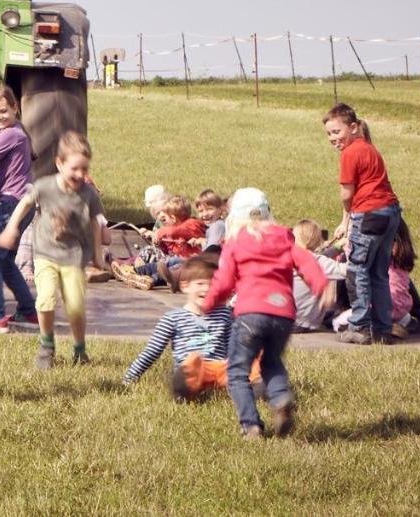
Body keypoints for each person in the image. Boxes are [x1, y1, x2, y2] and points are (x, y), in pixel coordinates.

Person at [203, 188, 331, 440]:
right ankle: (281, 398)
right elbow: (306, 261)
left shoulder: (235, 243)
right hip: (284, 315)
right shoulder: (284, 239)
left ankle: (251, 426)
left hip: (250, 313)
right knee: (271, 362)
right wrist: (321, 286)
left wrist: (208, 303)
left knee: (237, 372)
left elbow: (224, 280)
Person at [0, 131, 108, 369]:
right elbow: (24, 204)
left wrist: (98, 254)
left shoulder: (88, 194)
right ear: (59, 163)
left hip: (75, 257)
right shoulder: (44, 187)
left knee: (75, 306)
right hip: (45, 254)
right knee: (45, 301)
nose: (80, 174)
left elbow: (95, 224)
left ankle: (79, 348)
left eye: (84, 169)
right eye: (74, 168)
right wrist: (10, 229)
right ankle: (47, 345)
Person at [124, 256, 257, 402]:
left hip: (218, 370)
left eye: (212, 285)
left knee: (252, 360)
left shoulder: (224, 314)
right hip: (193, 372)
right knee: (191, 364)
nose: (206, 289)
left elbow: (233, 347)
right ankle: (184, 392)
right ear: (185, 286)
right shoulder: (173, 318)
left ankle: (259, 388)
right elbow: (151, 352)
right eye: (200, 283)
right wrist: (130, 377)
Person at [323, 103, 402, 345]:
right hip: (390, 212)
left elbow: (347, 193)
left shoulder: (351, 153)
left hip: (368, 215)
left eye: (337, 132)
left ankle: (360, 325)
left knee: (357, 270)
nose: (333, 138)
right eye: (328, 134)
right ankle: (382, 327)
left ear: (354, 127)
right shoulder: (369, 149)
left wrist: (347, 218)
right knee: (378, 272)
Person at [0, 86, 39, 332]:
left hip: (13, 205)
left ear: (15, 108)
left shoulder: (10, 134)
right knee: (5, 262)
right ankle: (28, 310)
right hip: (21, 204)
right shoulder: (15, 131)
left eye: (4, 111)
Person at [290, 220, 349, 332]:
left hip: (284, 318)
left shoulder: (293, 256)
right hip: (301, 323)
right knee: (338, 314)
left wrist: (337, 247)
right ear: (317, 241)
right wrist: (350, 249)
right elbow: (346, 270)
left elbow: (322, 257)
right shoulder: (317, 261)